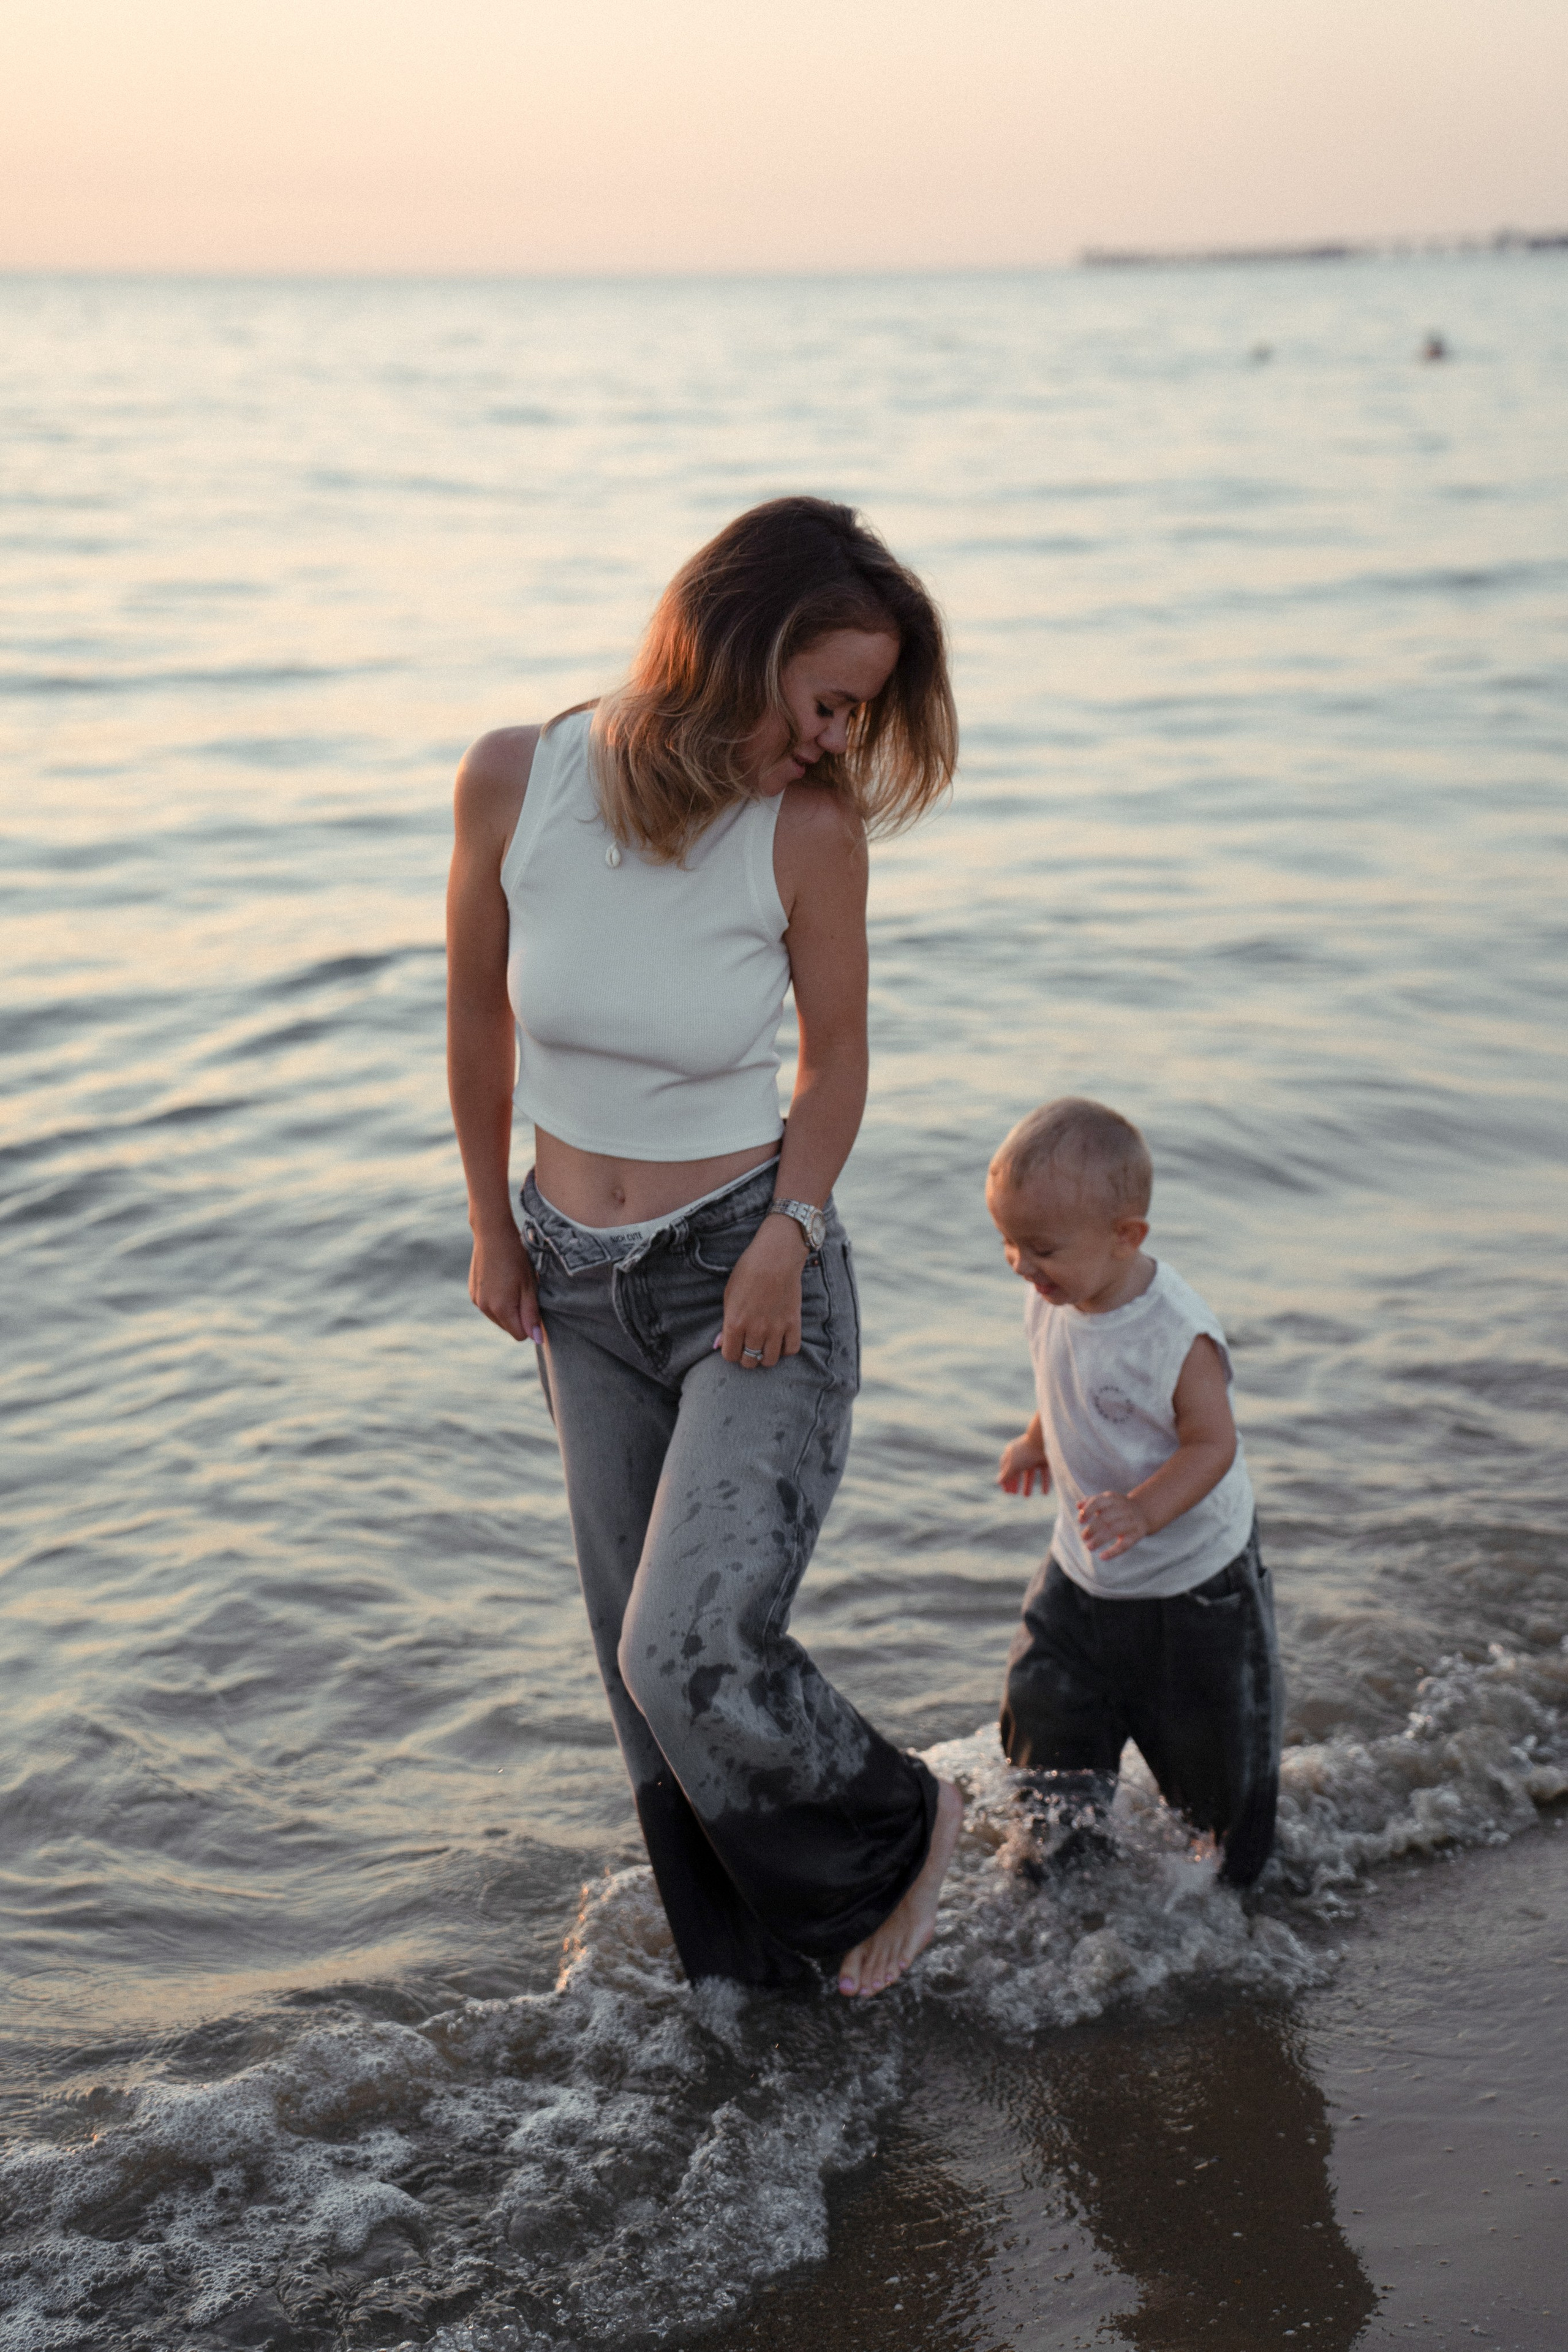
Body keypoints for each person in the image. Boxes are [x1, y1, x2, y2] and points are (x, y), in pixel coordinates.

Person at [447, 496, 965, 1997]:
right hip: (574, 1280)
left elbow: (837, 1062)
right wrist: (492, 1223)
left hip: (748, 1271)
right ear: (740, 644)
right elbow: (476, 1019)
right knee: (638, 1683)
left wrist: (788, 1237)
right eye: (827, 701)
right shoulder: (513, 776)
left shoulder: (806, 833)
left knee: (689, 1641)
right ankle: (747, 1987)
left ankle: (890, 1818)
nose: (832, 738)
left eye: (858, 712)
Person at [987, 1097, 1280, 1886]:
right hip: (1082, 1569)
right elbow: (1065, 1377)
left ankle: (1231, 1900)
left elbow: (1213, 1444)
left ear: (1127, 1238)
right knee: (1045, 1723)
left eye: (1040, 1248)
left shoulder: (1174, 1335)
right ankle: (1062, 1875)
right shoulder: (1059, 1291)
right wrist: (1038, 1439)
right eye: (1009, 1243)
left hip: (1192, 1587)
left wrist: (1146, 1509)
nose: (1021, 1264)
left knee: (1219, 1781)